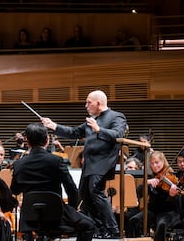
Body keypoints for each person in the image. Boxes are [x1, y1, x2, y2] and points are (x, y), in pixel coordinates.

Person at [41, 89, 127, 238]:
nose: (86, 105)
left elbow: (118, 134)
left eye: (88, 102)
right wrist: (53, 125)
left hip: (103, 161)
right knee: (85, 195)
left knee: (95, 191)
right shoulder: (91, 120)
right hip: (90, 163)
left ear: (98, 103)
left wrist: (99, 129)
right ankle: (100, 227)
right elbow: (74, 132)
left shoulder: (116, 116)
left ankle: (113, 229)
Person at [11, 123, 95, 241]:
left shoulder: (18, 164)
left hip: (29, 216)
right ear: (47, 140)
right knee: (89, 226)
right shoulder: (56, 160)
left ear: (27, 142)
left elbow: (14, 190)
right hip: (56, 214)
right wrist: (71, 208)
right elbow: (71, 189)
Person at [129, 151, 180, 240]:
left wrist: (172, 195)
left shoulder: (171, 177)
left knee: (161, 224)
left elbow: (176, 202)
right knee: (134, 221)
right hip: (153, 210)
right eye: (152, 163)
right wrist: (146, 183)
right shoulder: (150, 177)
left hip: (168, 212)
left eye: (157, 162)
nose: (154, 166)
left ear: (163, 162)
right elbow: (137, 193)